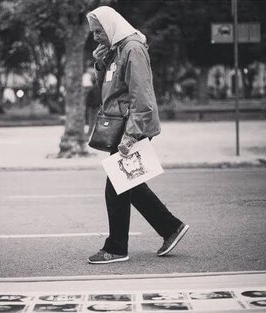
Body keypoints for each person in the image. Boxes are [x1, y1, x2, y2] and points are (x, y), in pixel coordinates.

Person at [85, 6, 189, 264]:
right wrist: (100, 62)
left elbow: (142, 97)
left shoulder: (133, 49)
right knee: (129, 184)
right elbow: (111, 88)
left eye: (99, 30)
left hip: (131, 126)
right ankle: (171, 228)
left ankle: (117, 247)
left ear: (111, 25)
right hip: (123, 124)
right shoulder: (117, 50)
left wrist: (131, 136)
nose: (96, 36)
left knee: (117, 187)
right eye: (93, 32)